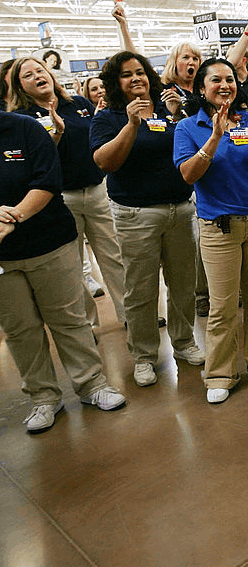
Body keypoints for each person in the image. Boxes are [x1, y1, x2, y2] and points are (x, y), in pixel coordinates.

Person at [0, 111, 126, 433]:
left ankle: (92, 385)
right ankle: (43, 398)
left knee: (68, 319)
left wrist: (12, 217)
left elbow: (47, 179)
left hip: (49, 243)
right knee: (20, 329)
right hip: (3, 260)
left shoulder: (24, 128)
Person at [90, 51, 204, 387]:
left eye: (140, 72)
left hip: (180, 209)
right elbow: (105, 162)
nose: (136, 78)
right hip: (136, 214)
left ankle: (184, 342)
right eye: (127, 75)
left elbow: (188, 148)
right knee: (140, 291)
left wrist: (177, 115)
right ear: (116, 82)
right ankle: (143, 356)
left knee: (183, 284)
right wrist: (131, 123)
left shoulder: (169, 113)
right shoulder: (108, 117)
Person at [174, 58, 248, 403]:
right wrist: (215, 137)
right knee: (221, 306)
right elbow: (189, 175)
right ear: (201, 88)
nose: (225, 85)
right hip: (218, 229)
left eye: (230, 79)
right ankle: (220, 373)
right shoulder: (189, 128)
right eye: (216, 80)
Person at [8, 57, 127, 331]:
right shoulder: (22, 121)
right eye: (28, 75)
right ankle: (86, 323)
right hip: (61, 199)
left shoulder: (78, 105)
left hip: (97, 191)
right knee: (72, 267)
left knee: (114, 257)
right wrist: (56, 135)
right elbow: (33, 163)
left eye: (40, 70)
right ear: (20, 86)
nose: (38, 76)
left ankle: (128, 314)